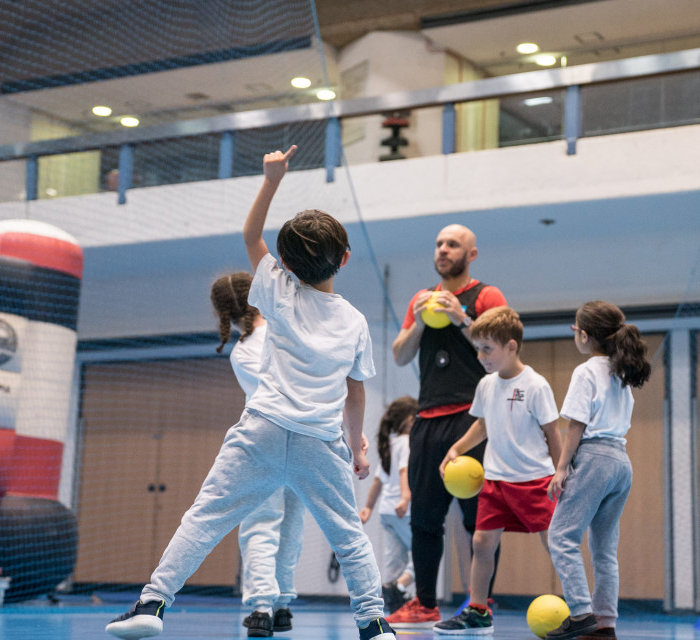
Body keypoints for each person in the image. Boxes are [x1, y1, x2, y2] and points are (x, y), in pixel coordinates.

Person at [105, 146, 395, 640]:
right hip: (319, 442)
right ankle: (374, 625)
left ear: (283, 262)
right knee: (349, 536)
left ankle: (151, 605)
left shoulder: (276, 292)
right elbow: (355, 395)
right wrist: (357, 444)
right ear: (345, 259)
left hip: (261, 429)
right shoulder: (354, 322)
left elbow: (249, 234)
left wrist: (272, 179)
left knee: (205, 517)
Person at [388, 224, 507, 628]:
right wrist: (421, 320)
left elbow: (501, 346)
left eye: (452, 244)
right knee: (423, 518)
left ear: (470, 254)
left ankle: (480, 602)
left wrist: (462, 318)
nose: (442, 250)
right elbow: (400, 355)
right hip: (427, 419)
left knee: (480, 519)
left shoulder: (486, 296)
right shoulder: (421, 299)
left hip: (473, 420)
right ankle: (424, 603)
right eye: (439, 244)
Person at [434, 306, 562, 635]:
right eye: (478, 348)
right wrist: (458, 448)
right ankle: (478, 609)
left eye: (487, 349)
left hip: (535, 481)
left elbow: (553, 433)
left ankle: (577, 607)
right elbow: (482, 424)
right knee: (481, 542)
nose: (481, 356)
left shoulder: (535, 385)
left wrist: (562, 473)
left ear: (511, 347)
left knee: (557, 544)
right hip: (495, 481)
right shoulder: (487, 385)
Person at [545, 301, 652, 640]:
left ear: (585, 335)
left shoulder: (587, 371)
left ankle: (580, 614)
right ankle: (605, 623)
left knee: (561, 537)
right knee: (604, 549)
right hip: (621, 462)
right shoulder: (622, 373)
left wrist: (561, 468)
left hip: (593, 459)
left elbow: (576, 424)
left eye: (575, 329)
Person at [210, 272, 306, 637]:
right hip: (305, 439)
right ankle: (282, 605)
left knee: (261, 523)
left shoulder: (243, 351)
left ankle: (262, 607)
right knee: (291, 524)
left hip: (264, 441)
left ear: (223, 312)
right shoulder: (289, 330)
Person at [359, 396, 418, 614]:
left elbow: (378, 480)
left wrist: (368, 507)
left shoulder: (390, 444)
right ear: (410, 420)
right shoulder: (407, 443)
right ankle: (400, 586)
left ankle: (393, 605)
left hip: (386, 511)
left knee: (395, 558)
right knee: (423, 553)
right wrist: (405, 498)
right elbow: (404, 471)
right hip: (404, 510)